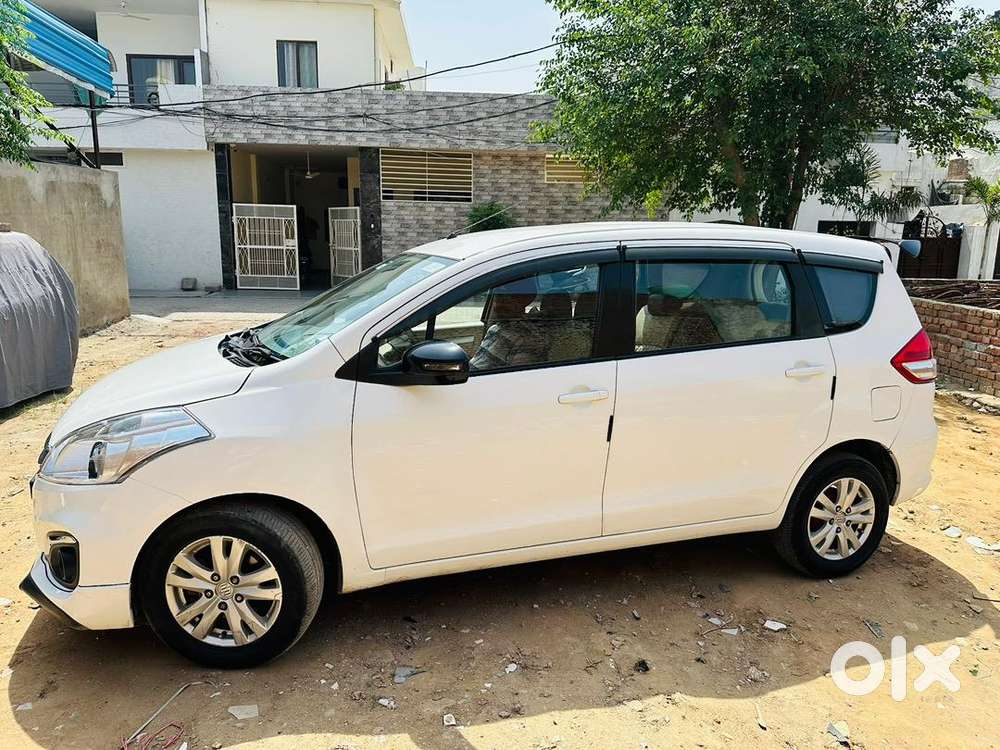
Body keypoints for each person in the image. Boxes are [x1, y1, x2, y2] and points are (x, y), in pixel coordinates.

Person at [470, 277, 547, 371]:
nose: (497, 306)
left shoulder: (527, 339)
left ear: (523, 301)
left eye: (506, 299)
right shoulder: (496, 328)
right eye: (497, 298)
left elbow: (514, 378)